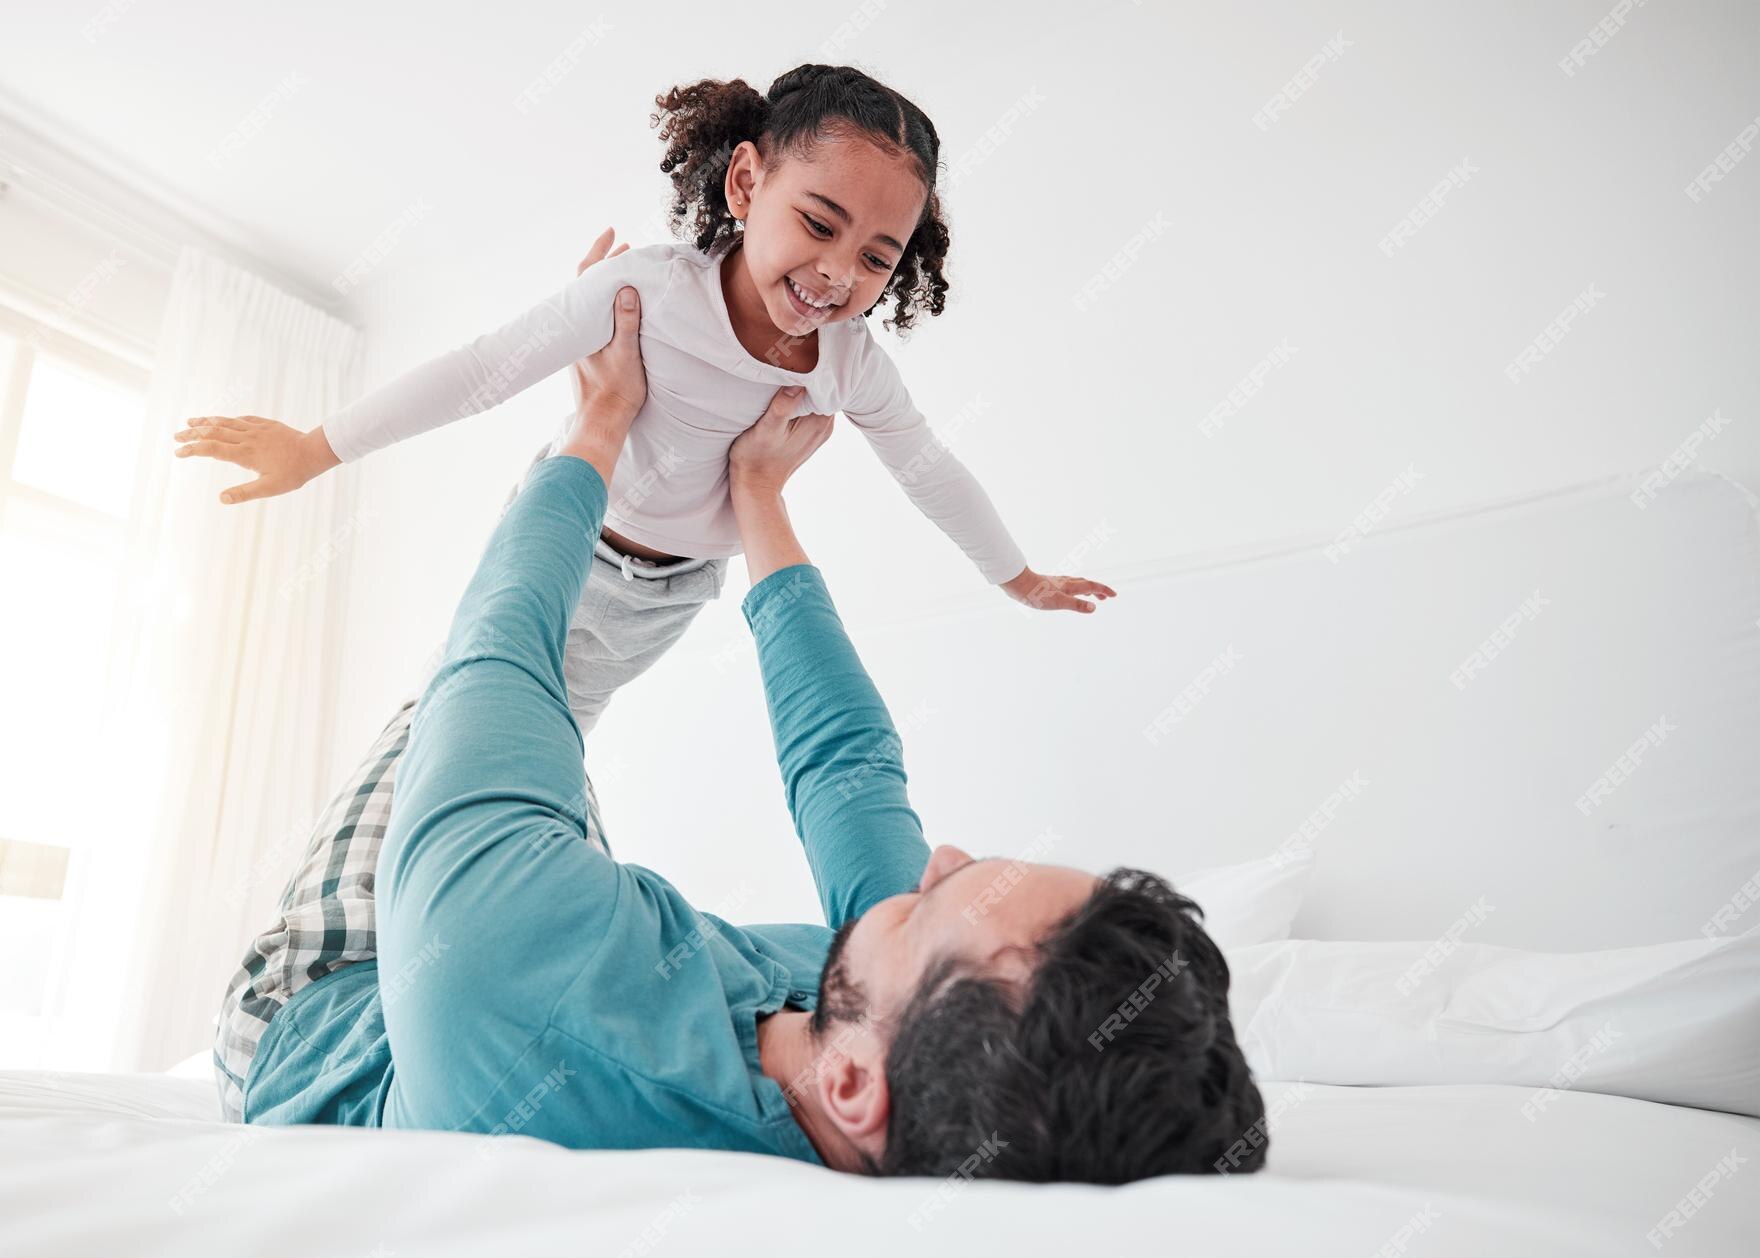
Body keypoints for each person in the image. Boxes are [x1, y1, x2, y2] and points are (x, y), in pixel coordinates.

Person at [213, 272, 1267, 1183]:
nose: (943, 860)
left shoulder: (504, 976)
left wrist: (599, 420)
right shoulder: (913, 1055)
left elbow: (491, 662)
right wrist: (755, 491)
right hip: (534, 939)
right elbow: (844, 766)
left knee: (491, 704)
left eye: (940, 900)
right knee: (550, 712)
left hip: (336, 999)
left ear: (853, 1086)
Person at [175, 62, 1117, 742]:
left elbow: (927, 468)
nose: (838, 272)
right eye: (819, 225)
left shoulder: (850, 363)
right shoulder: (647, 292)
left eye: (876, 257)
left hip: (668, 594)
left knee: (561, 732)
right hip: (563, 534)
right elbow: (484, 369)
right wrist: (316, 446)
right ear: (747, 182)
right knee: (466, 705)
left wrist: (1015, 576)